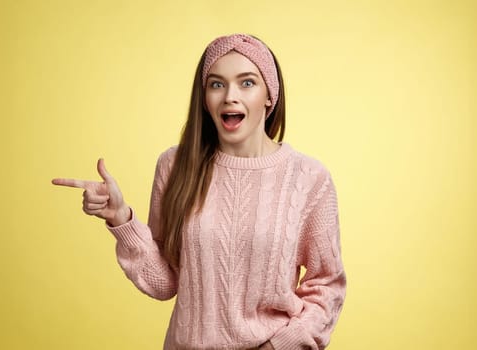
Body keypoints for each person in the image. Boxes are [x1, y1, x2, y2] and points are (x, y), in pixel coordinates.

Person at [52, 33, 346, 350]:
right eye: (216, 84)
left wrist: (280, 345)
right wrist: (122, 220)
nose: (230, 96)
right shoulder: (176, 165)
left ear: (269, 96)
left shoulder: (309, 179)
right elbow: (164, 282)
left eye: (247, 83)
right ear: (205, 99)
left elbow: (327, 286)